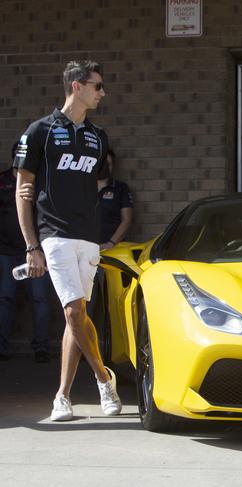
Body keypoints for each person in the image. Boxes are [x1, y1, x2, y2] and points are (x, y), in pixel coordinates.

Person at [13, 60, 121, 421]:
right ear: (77, 86)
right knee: (73, 310)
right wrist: (32, 246)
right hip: (53, 234)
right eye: (97, 86)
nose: (102, 93)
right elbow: (22, 190)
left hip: (87, 237)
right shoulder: (39, 131)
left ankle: (62, 396)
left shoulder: (98, 136)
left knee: (76, 317)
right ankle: (104, 378)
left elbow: (96, 185)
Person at [0, 142, 52, 363]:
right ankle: (2, 349)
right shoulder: (2, 180)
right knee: (5, 299)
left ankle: (41, 348)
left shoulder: (39, 180)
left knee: (40, 299)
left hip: (35, 252)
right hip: (6, 251)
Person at [86, 148, 133, 326]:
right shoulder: (83, 187)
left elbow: (127, 219)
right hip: (85, 253)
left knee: (110, 304)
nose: (107, 167)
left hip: (110, 254)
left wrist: (111, 243)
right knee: (85, 304)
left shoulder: (120, 188)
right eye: (104, 164)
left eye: (110, 164)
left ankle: (109, 350)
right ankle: (83, 350)